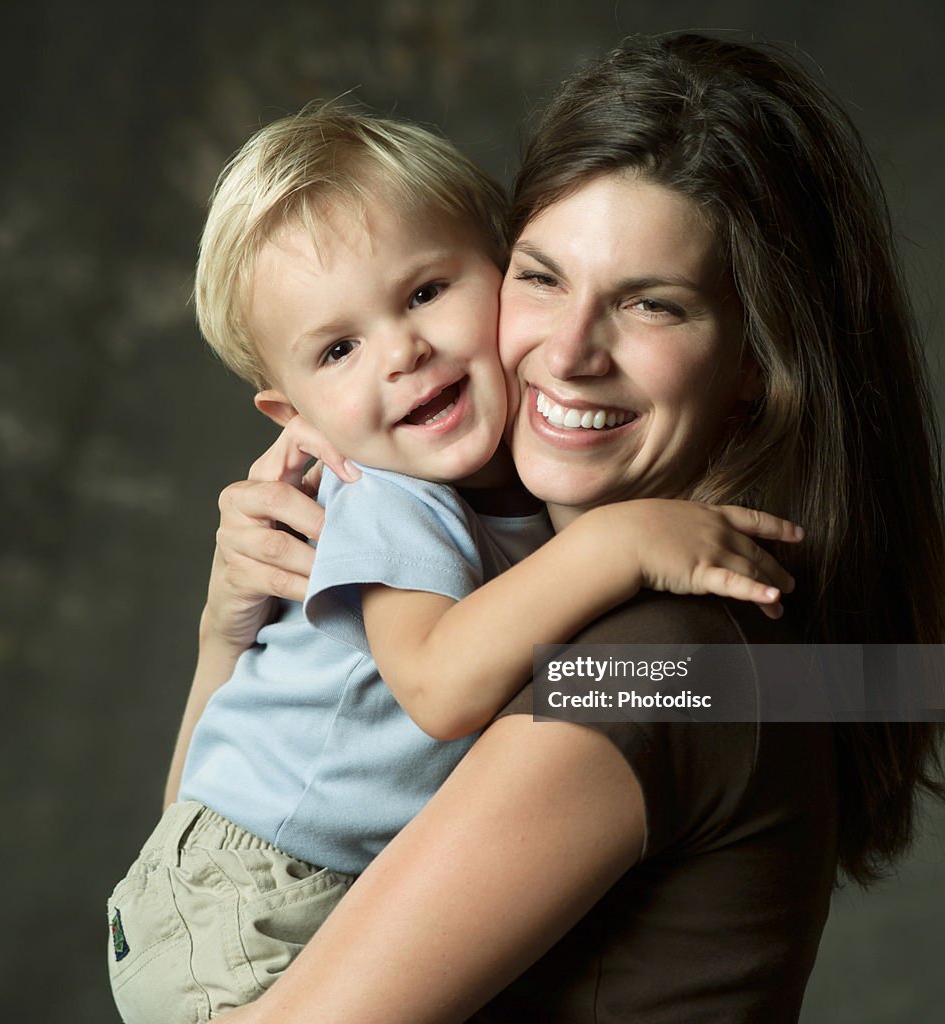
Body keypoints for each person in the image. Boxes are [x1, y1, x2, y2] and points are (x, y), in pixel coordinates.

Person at [204, 33, 945, 1024]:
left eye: (652, 304)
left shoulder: (647, 666)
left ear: (757, 368)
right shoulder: (695, 638)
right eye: (541, 276)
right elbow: (201, 839)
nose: (565, 351)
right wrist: (230, 633)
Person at [107, 105, 800, 1023]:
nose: (403, 351)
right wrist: (617, 542)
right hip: (246, 901)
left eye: (428, 291)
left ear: (493, 266)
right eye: (339, 350)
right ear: (296, 414)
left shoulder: (664, 654)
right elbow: (437, 684)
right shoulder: (396, 498)